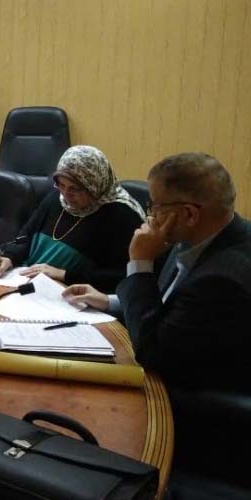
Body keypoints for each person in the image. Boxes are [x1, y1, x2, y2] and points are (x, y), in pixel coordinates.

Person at [62, 153, 251, 488]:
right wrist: (109, 300)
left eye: (155, 206)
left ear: (189, 214)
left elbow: (154, 351)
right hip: (179, 361)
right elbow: (168, 304)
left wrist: (139, 262)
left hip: (198, 410)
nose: (149, 216)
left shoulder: (224, 277)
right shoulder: (202, 237)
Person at [0, 145, 145, 292]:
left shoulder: (122, 216)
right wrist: (9, 256)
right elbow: (26, 235)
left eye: (75, 188)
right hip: (27, 284)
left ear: (94, 185)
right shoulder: (56, 198)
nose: (66, 194)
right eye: (61, 185)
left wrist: (64, 274)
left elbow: (123, 277)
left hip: (74, 296)